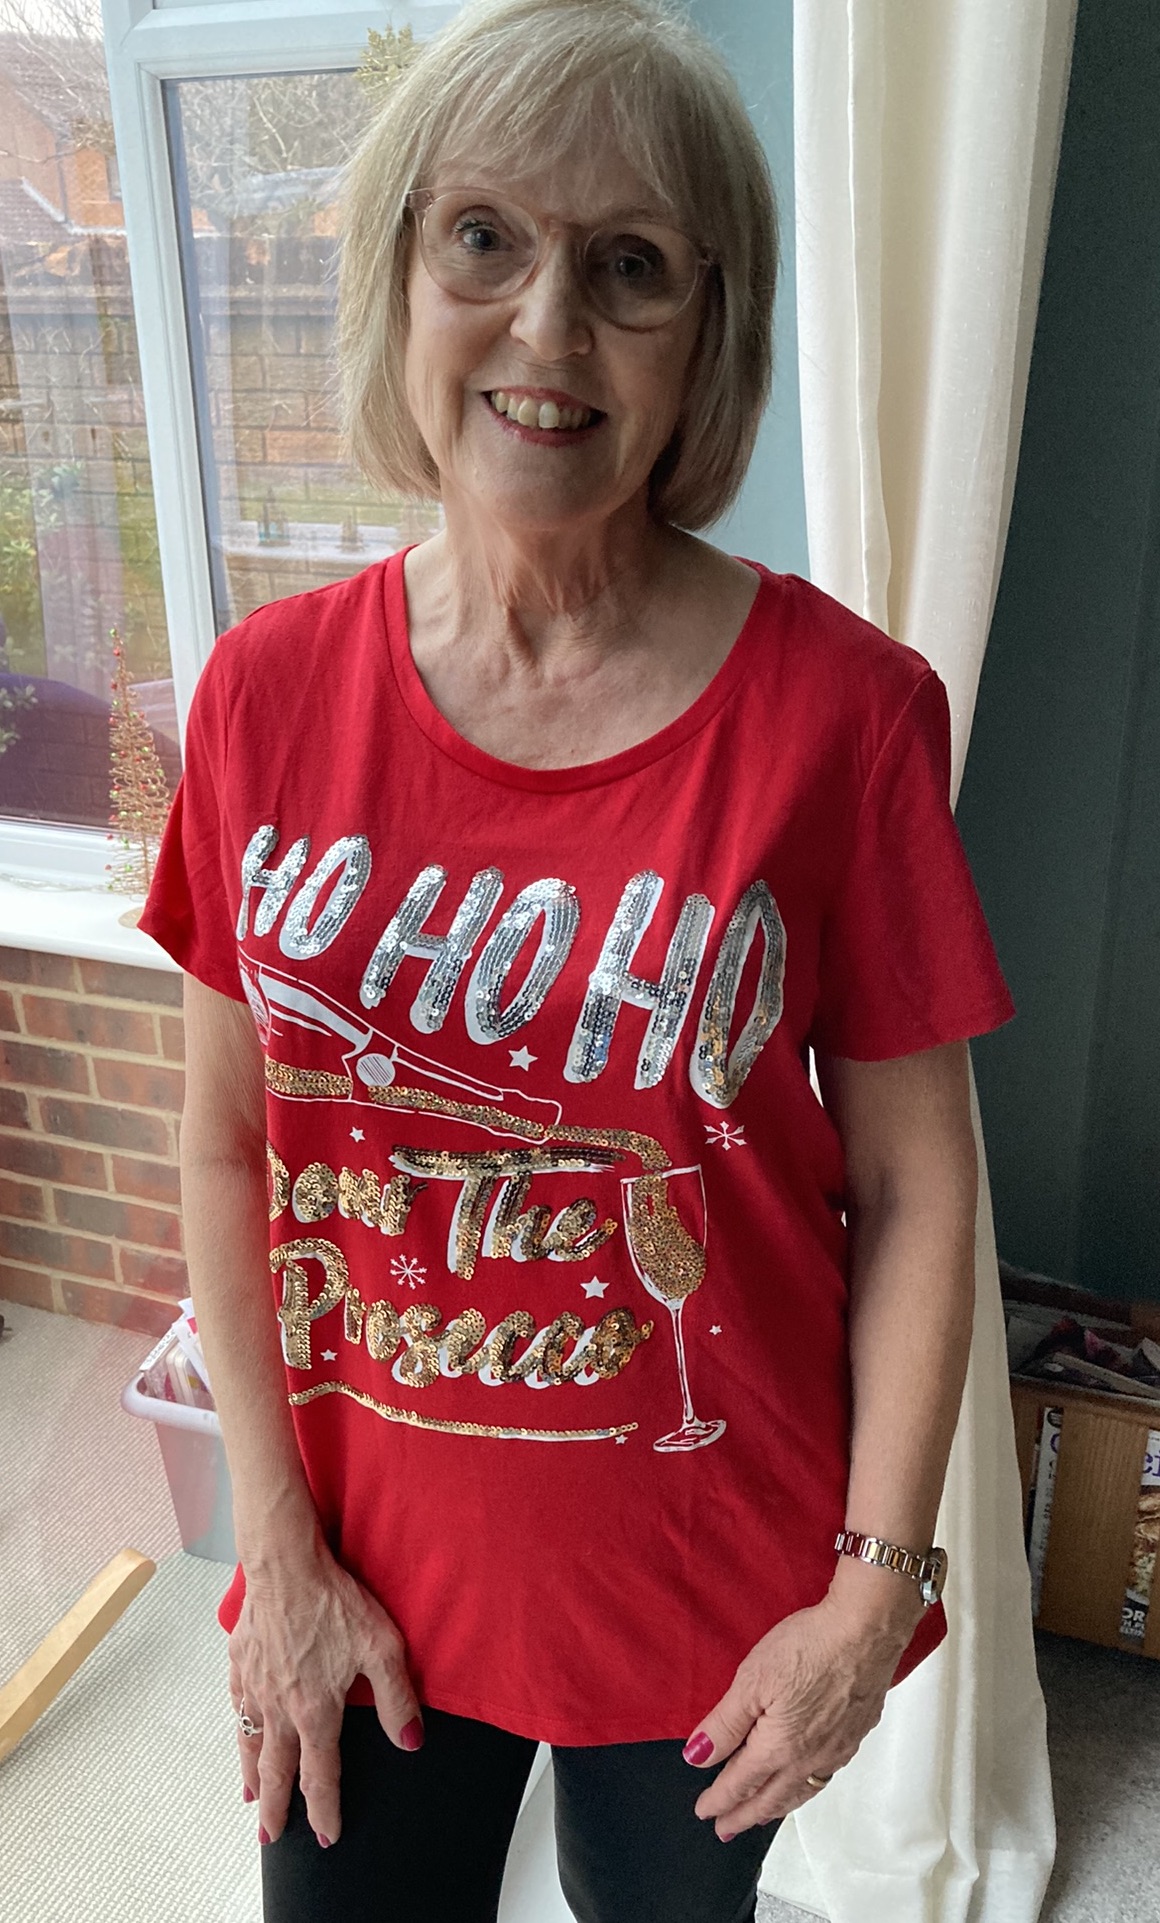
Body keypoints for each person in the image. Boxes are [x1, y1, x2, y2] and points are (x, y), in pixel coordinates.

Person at [140, 1, 1015, 1918]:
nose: (547, 328)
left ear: (710, 332)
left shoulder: (848, 717)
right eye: (486, 238)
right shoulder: (263, 699)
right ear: (399, 275)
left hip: (712, 1584)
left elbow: (916, 1184)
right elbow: (225, 1143)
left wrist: (874, 1592)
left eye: (629, 267)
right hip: (362, 1574)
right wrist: (273, 1550)